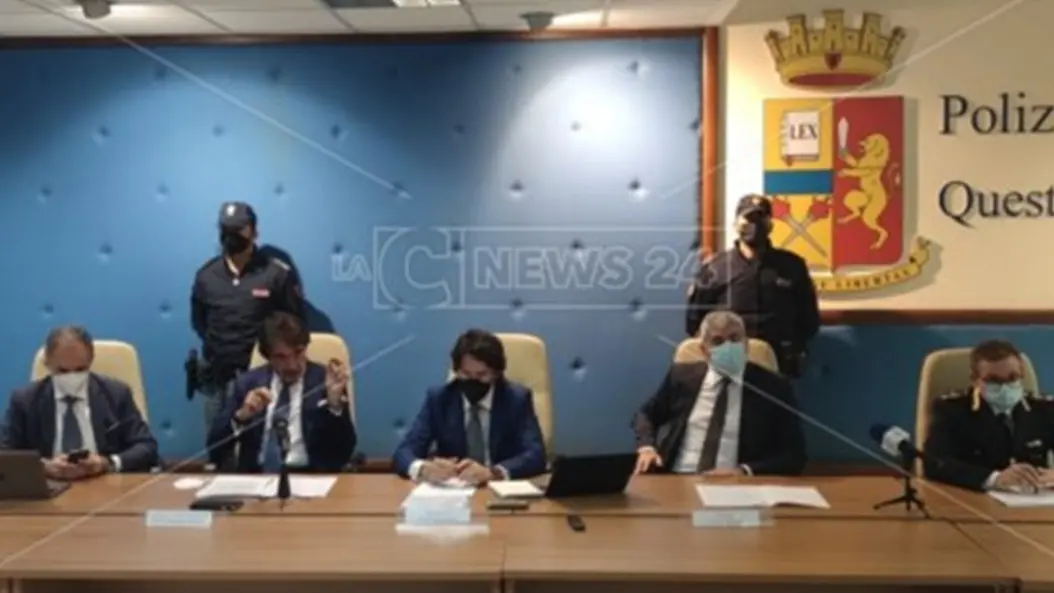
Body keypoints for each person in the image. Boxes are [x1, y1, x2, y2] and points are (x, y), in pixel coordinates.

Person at [633, 310, 806, 476]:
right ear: (704, 350)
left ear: (746, 345)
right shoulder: (682, 377)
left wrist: (743, 471)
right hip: (677, 475)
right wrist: (647, 447)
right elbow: (646, 414)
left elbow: (794, 455)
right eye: (717, 341)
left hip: (736, 481)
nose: (727, 347)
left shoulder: (773, 387)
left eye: (734, 339)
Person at [191, 201, 304, 440]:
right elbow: (199, 323)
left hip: (262, 382)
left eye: (238, 229)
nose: (231, 235)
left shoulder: (276, 274)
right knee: (218, 446)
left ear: (254, 231)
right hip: (217, 383)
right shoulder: (206, 276)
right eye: (226, 229)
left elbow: (292, 326)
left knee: (262, 450)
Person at [685, 194, 819, 377]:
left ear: (770, 225)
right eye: (748, 219)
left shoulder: (792, 266)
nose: (754, 225)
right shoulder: (715, 268)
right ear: (736, 224)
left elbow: (809, 321)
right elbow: (695, 323)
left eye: (760, 218)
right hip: (727, 369)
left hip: (778, 368)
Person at [0, 326, 158, 479]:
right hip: (51, 486)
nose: (72, 377)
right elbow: (5, 453)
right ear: (47, 362)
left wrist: (106, 463)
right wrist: (43, 467)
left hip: (105, 483)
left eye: (80, 369)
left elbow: (146, 446)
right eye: (62, 371)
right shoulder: (25, 401)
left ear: (91, 360)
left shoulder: (116, 394)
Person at [207, 313, 356, 473]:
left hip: (311, 475)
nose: (292, 365)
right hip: (258, 476)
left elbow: (344, 453)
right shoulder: (246, 384)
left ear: (306, 347)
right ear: (268, 356)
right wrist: (241, 417)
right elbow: (215, 450)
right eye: (281, 357)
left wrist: (334, 406)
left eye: (298, 352)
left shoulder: (326, 381)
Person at [393, 329, 546, 484]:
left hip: (498, 488)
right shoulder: (440, 399)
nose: (473, 381)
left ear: (496, 373)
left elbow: (536, 455)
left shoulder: (516, 400)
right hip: (454, 488)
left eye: (481, 375)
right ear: (456, 370)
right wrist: (424, 468)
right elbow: (404, 452)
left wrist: (493, 472)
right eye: (465, 374)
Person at [923, 339, 1054, 492]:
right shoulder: (952, 410)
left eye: (1012, 378)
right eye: (994, 380)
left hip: (1034, 499)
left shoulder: (1043, 409)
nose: (1004, 387)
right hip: (975, 497)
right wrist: (994, 478)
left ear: (1022, 376)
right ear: (975, 381)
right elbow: (934, 463)